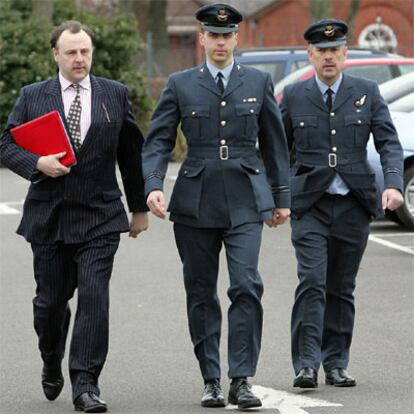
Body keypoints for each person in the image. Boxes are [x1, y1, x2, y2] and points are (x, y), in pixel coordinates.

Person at [142, 3, 290, 410]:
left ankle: (241, 379)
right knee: (201, 292)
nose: (221, 42)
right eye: (214, 35)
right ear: (202, 38)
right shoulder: (180, 83)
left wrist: (282, 198)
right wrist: (153, 185)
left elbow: (275, 144)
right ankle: (210, 379)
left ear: (235, 39)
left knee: (246, 286)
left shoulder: (258, 82)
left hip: (246, 198)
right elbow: (157, 141)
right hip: (196, 200)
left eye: (228, 36)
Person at [0, 21, 148, 412]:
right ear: (56, 55)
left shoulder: (114, 94)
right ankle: (51, 357)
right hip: (49, 216)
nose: (79, 59)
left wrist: (138, 208)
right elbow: (5, 144)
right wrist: (37, 163)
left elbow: (130, 155)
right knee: (50, 304)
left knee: (95, 298)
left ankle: (86, 384)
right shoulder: (34, 96)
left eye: (85, 51)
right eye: (71, 52)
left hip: (100, 214)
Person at [280, 19, 404, 389]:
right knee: (313, 282)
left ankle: (336, 361)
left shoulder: (367, 91)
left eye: (335, 50)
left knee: (341, 287)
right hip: (311, 205)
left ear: (345, 54)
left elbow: (389, 143)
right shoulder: (296, 96)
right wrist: (282, 192)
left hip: (354, 203)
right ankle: (306, 364)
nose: (329, 57)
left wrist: (394, 184)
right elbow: (276, 149)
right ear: (311, 55)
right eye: (322, 51)